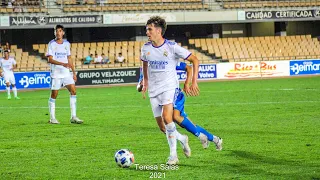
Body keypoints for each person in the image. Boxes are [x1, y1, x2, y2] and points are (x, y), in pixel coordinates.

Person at [141, 16, 200, 165]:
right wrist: (145, 82)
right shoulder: (145, 48)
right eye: (146, 29)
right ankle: (182, 138)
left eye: (150, 29)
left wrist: (193, 82)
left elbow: (194, 60)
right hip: (154, 90)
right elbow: (145, 65)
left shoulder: (172, 47)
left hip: (169, 87)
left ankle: (173, 156)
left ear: (159, 31)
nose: (147, 32)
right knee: (163, 127)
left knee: (168, 118)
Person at [138, 62, 223, 150]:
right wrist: (141, 85)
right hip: (161, 99)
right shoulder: (145, 67)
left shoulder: (166, 61)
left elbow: (189, 68)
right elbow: (139, 87)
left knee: (175, 117)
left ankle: (200, 137)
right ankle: (216, 139)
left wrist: (187, 83)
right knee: (187, 125)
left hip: (174, 94)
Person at [46, 24, 83, 124]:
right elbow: (50, 59)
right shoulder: (51, 44)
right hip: (56, 74)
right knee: (54, 95)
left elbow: (69, 58)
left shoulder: (66, 43)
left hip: (66, 73)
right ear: (54, 33)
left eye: (60, 31)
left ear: (63, 32)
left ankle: (73, 116)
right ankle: (52, 118)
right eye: (56, 31)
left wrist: (73, 72)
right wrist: (62, 63)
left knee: (73, 91)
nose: (58, 33)